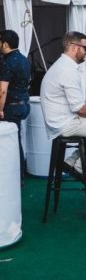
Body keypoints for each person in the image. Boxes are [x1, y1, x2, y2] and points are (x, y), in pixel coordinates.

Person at [40, 31, 86, 178]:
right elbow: (80, 108)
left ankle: (70, 162)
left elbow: (79, 106)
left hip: (60, 122)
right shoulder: (67, 70)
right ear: (74, 47)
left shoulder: (62, 66)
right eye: (85, 48)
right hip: (65, 124)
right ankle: (81, 168)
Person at [0, 30, 31, 176]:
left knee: (10, 142)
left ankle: (15, 176)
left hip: (11, 107)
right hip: (24, 104)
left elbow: (2, 91)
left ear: (5, 44)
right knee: (15, 138)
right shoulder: (24, 59)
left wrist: (0, 109)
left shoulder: (6, 61)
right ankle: (20, 174)